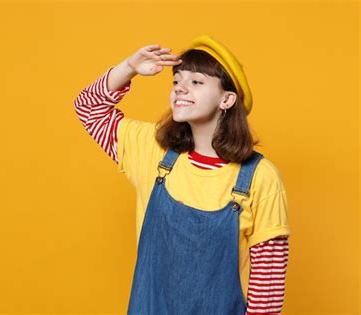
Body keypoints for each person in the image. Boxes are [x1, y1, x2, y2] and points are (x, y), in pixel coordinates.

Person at [74, 34, 290, 315]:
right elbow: (89, 108)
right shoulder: (151, 151)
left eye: (196, 82)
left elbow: (267, 292)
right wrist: (129, 66)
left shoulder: (261, 177)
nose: (180, 89)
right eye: (177, 81)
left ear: (226, 99)